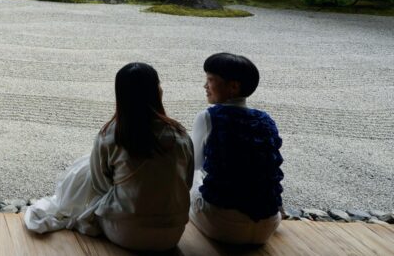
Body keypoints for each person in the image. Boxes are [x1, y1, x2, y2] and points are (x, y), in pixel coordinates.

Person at [24, 63, 194, 252]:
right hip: (171, 234)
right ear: (156, 91)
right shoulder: (180, 135)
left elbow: (99, 184)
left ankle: (67, 203)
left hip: (124, 232)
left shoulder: (111, 135)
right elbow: (187, 182)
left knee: (85, 166)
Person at [190, 53, 283, 245]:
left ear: (233, 86)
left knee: (192, 175)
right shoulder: (266, 120)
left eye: (210, 80)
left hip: (222, 224)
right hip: (268, 224)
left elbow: (194, 164)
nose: (205, 86)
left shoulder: (208, 116)